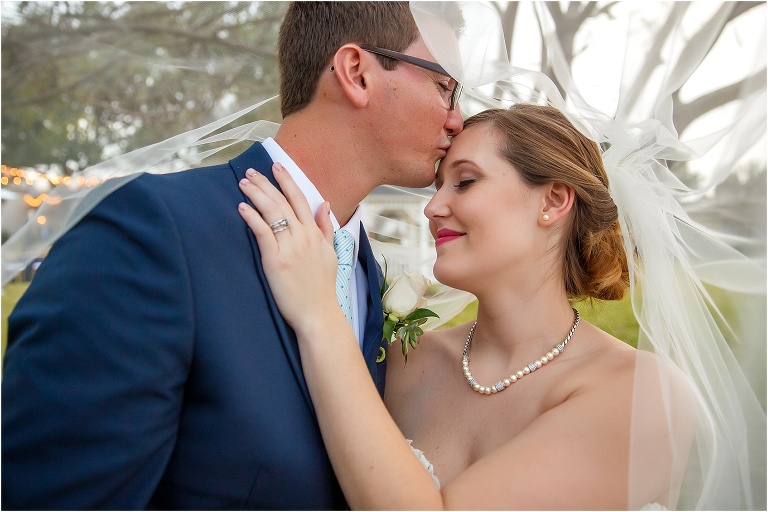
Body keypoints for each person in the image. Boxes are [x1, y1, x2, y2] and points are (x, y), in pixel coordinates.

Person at [1, 2, 463, 509]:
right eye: (445, 87)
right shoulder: (152, 231)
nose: (458, 120)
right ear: (357, 74)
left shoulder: (367, 276)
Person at [237, 104, 700, 509]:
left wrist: (320, 316)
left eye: (465, 181)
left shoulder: (642, 393)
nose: (432, 208)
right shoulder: (401, 363)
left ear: (554, 201)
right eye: (437, 187)